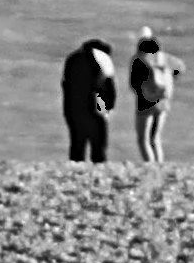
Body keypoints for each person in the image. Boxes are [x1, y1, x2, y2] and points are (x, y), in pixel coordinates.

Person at [129, 28, 184, 162]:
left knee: (143, 139)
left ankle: (150, 166)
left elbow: (133, 83)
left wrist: (143, 90)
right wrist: (170, 78)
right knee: (155, 139)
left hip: (145, 102)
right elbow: (181, 67)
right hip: (163, 101)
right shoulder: (163, 57)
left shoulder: (138, 59)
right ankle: (159, 165)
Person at [59, 39, 117, 162]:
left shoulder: (72, 58)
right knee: (98, 144)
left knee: (77, 143)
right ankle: (98, 168)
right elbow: (109, 86)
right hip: (94, 105)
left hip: (72, 106)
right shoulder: (103, 57)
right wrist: (109, 108)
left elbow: (64, 84)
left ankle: (76, 168)